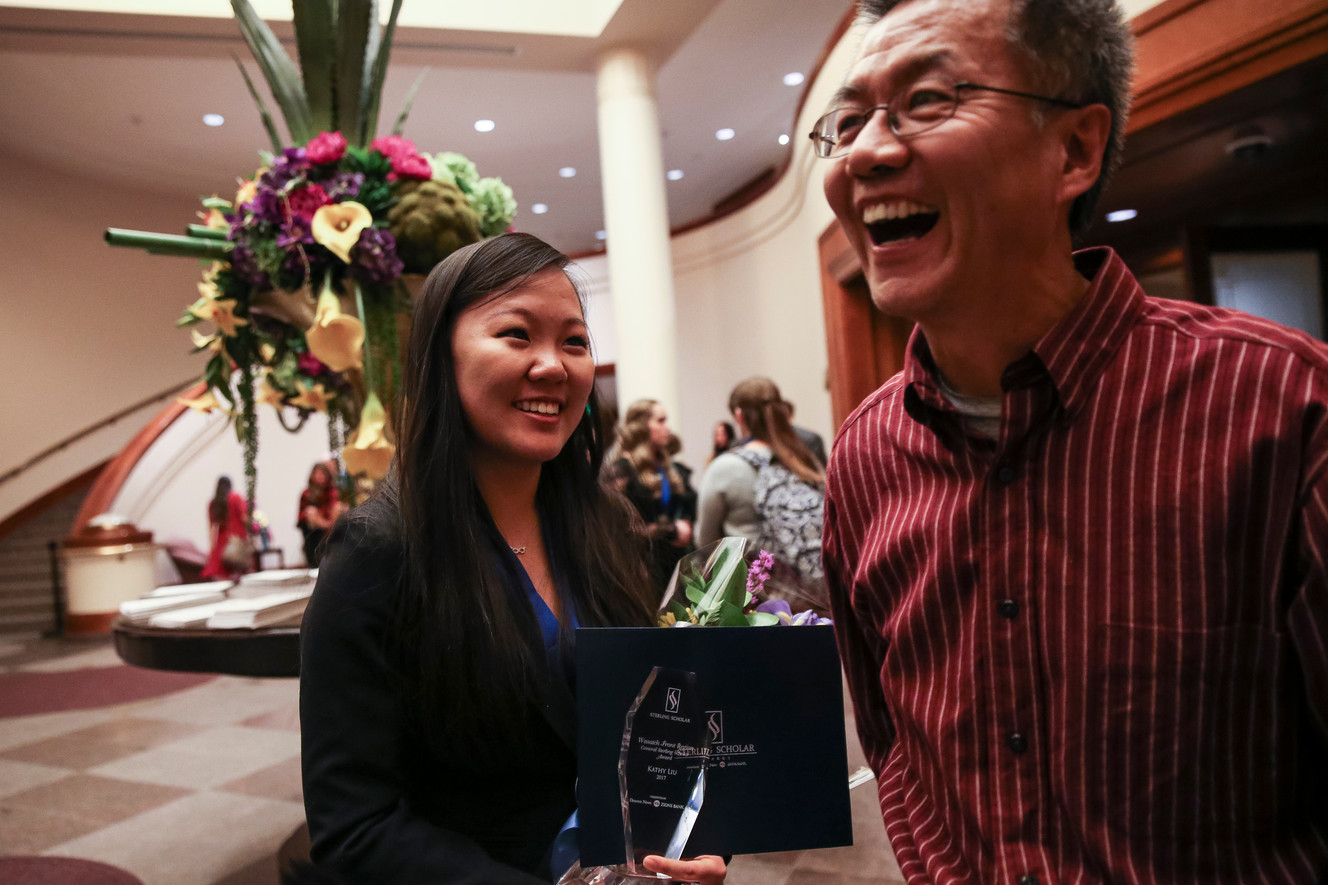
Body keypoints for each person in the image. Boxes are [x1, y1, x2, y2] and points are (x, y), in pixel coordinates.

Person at [817, 0, 1328, 882]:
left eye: (930, 99)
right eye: (851, 118)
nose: (867, 151)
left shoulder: (1286, 408)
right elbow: (899, 748)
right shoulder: (863, 459)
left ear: (1075, 150)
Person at [299, 233, 725, 884]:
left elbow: (647, 733)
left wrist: (695, 835)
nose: (553, 365)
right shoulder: (378, 551)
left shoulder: (607, 524)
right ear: (441, 355)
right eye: (517, 334)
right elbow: (355, 826)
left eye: (575, 341)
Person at [696, 377, 825, 585]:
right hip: (816, 599)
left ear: (739, 416)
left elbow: (705, 543)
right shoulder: (806, 461)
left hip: (760, 603)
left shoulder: (725, 467)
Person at [607, 399, 698, 591]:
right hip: (642, 573)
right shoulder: (621, 471)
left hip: (674, 565)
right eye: (661, 421)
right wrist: (671, 531)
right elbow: (617, 530)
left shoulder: (664, 466)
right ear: (642, 427)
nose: (668, 427)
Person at [297, 460, 345, 567]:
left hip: (332, 526)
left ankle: (330, 531)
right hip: (316, 529)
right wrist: (319, 520)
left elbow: (335, 508)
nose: (319, 476)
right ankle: (326, 528)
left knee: (339, 507)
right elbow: (301, 516)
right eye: (317, 473)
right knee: (310, 512)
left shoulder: (333, 492)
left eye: (322, 473)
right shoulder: (307, 494)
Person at [200, 475, 249, 579]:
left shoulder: (213, 503)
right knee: (238, 573)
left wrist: (212, 548)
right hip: (237, 539)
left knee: (221, 575)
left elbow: (213, 528)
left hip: (222, 542)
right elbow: (244, 519)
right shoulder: (235, 498)